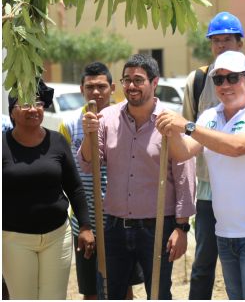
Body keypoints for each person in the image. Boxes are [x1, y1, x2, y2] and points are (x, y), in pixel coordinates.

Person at [156, 51, 245, 300]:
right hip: (226, 232)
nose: (225, 85)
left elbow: (236, 147)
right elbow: (183, 152)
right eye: (219, 80)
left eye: (232, 78)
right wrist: (171, 129)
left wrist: (186, 125)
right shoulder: (209, 116)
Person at [79, 54, 195, 300]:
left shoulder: (170, 121)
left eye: (138, 80)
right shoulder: (106, 118)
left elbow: (184, 175)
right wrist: (89, 133)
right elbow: (90, 165)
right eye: (127, 80)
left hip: (158, 228)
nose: (131, 86)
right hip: (114, 226)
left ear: (155, 83)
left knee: (158, 294)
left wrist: (182, 228)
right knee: (113, 294)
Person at [183, 11, 245, 301]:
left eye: (227, 40)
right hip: (210, 184)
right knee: (204, 261)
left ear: (239, 43)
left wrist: (191, 128)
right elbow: (186, 138)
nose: (221, 46)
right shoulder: (197, 80)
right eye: (216, 41)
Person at [3, 80, 94, 300]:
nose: (33, 109)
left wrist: (85, 226)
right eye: (24, 104)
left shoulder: (57, 141)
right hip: (15, 239)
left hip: (57, 236)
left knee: (54, 297)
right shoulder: (2, 145)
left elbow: (74, 187)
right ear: (12, 113)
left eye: (38, 102)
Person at [59, 62, 142, 300]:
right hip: (86, 224)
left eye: (102, 86)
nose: (96, 92)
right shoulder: (69, 124)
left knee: (123, 288)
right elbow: (68, 178)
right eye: (90, 86)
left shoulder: (128, 119)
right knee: (92, 291)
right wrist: (84, 224)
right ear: (81, 88)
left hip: (121, 221)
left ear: (112, 87)